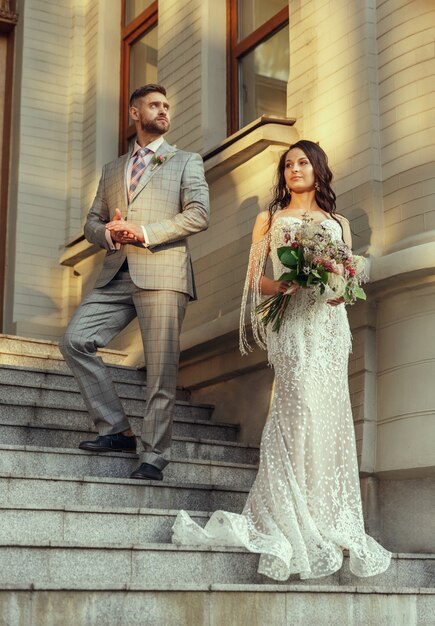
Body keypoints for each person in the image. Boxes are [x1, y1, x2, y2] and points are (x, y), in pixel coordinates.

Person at [172, 140, 391, 581]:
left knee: (328, 415)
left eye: (303, 162)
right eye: (288, 164)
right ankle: (286, 512)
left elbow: (347, 276)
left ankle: (323, 513)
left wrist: (338, 290)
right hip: (292, 327)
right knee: (299, 408)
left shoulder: (339, 223)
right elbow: (255, 280)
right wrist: (288, 288)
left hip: (328, 331)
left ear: (318, 169)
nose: (294, 169)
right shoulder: (269, 219)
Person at [59, 84, 209, 481]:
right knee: (75, 339)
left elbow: (198, 214)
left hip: (163, 272)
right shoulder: (111, 170)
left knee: (161, 370)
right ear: (133, 113)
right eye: (154, 105)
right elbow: (91, 222)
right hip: (117, 272)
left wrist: (142, 231)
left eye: (166, 105)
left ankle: (154, 455)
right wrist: (109, 233)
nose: (163, 111)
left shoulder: (186, 161)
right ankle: (116, 429)